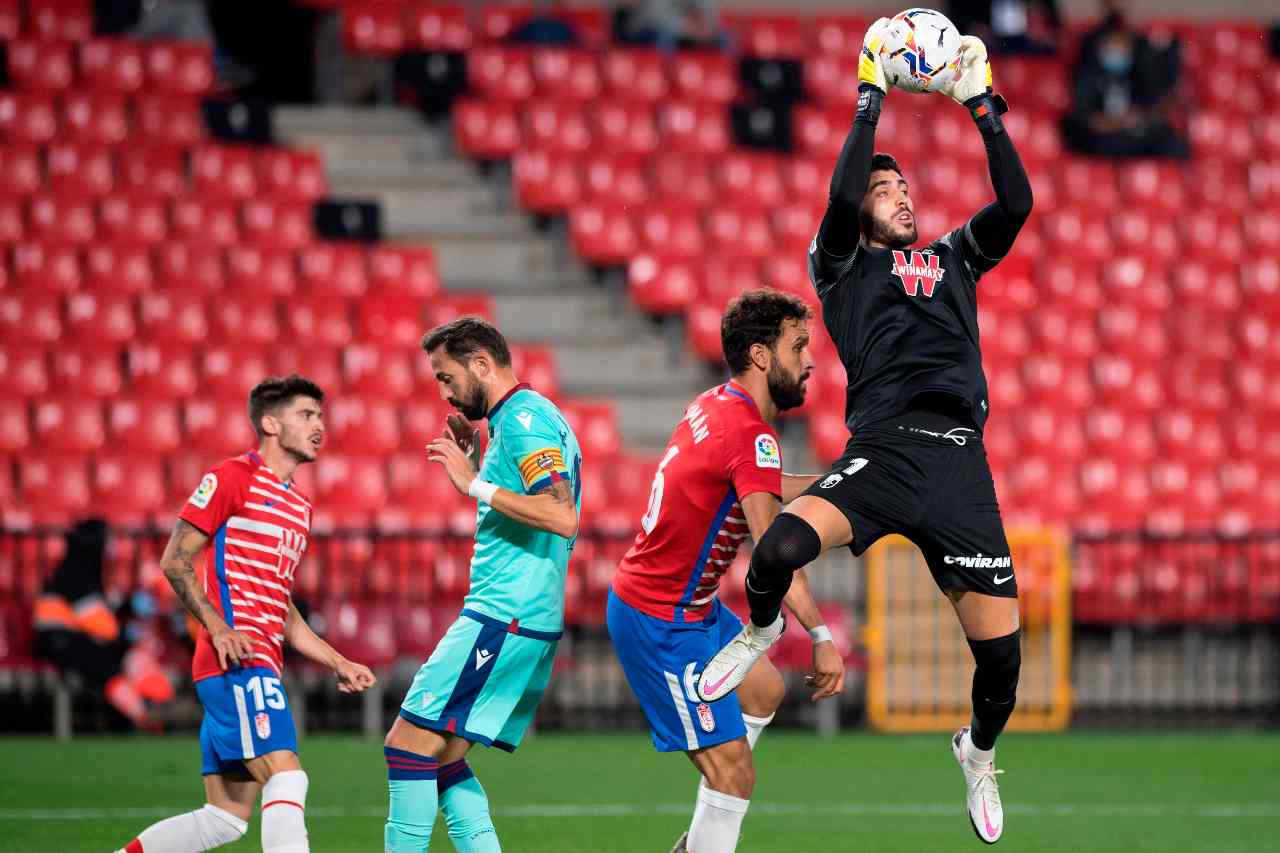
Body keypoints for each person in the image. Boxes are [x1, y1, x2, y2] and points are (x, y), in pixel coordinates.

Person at [697, 20, 1033, 845]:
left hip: (959, 463)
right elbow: (845, 196)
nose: (903, 195)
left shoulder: (955, 257)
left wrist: (981, 103)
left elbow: (1018, 203)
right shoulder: (841, 262)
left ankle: (977, 752)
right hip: (883, 450)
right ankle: (765, 628)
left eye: (906, 187)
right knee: (774, 556)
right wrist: (871, 97)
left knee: (1003, 668)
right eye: (889, 188)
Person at [608, 289, 845, 853]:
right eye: (798, 346)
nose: (809, 360)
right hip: (659, 620)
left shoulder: (718, 404)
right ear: (762, 356)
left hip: (687, 606)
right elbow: (774, 552)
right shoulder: (752, 435)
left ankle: (700, 840)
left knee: (762, 690)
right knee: (735, 772)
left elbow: (757, 485)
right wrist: (821, 636)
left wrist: (842, 482)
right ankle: (705, 840)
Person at [114, 375, 378, 853]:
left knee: (224, 820)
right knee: (288, 777)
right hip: (238, 663)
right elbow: (175, 559)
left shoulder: (300, 507)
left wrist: (337, 660)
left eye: (320, 415)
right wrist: (218, 628)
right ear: (269, 422)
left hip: (258, 663)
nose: (320, 425)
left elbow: (283, 608)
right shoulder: (233, 477)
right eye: (306, 415)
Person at [383, 317, 582, 853]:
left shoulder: (521, 421)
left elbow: (561, 515)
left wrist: (475, 483)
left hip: (503, 615)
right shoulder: (533, 417)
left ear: (481, 364)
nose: (445, 392)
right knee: (444, 760)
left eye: (447, 378)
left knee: (407, 747)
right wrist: (480, 472)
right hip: (523, 616)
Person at [34, 519, 174, 731]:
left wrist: (126, 607)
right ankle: (144, 717)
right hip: (58, 641)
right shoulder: (74, 574)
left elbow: (101, 611)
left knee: (124, 656)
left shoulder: (82, 569)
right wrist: (125, 634)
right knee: (111, 668)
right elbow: (102, 625)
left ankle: (156, 703)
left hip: (75, 637)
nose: (112, 546)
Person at [1061, 0, 1187, 158]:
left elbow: (1155, 104)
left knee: (1171, 144)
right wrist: (1106, 122)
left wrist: (1138, 118)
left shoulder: (1142, 64)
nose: (1117, 49)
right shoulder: (1088, 66)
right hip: (1101, 136)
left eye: (1122, 44)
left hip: (1134, 133)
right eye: (1112, 44)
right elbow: (1083, 111)